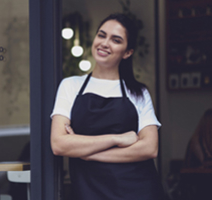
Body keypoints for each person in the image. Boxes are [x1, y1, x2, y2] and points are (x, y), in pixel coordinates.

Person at [50, 13, 162, 200]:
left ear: (127, 52)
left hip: (139, 192)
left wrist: (88, 153)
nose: (104, 43)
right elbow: (59, 144)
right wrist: (117, 138)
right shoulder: (70, 86)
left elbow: (150, 148)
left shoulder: (139, 93)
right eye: (101, 35)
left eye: (116, 40)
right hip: (89, 192)